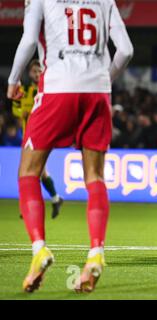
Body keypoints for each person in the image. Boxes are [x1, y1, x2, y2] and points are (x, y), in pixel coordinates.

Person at [7, 0, 133, 292]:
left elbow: (28, 41)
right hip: (97, 93)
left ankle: (40, 248)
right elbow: (126, 51)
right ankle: (95, 254)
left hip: (58, 90)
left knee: (28, 171)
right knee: (95, 177)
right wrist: (103, 80)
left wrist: (13, 79)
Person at [12, 59, 64, 219]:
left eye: (39, 71)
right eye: (34, 71)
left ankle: (28, 207)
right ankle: (55, 198)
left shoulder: (48, 91)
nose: (36, 74)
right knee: (39, 171)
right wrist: (22, 114)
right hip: (27, 135)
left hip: (41, 135)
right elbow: (16, 109)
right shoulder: (25, 90)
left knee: (26, 171)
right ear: (29, 73)